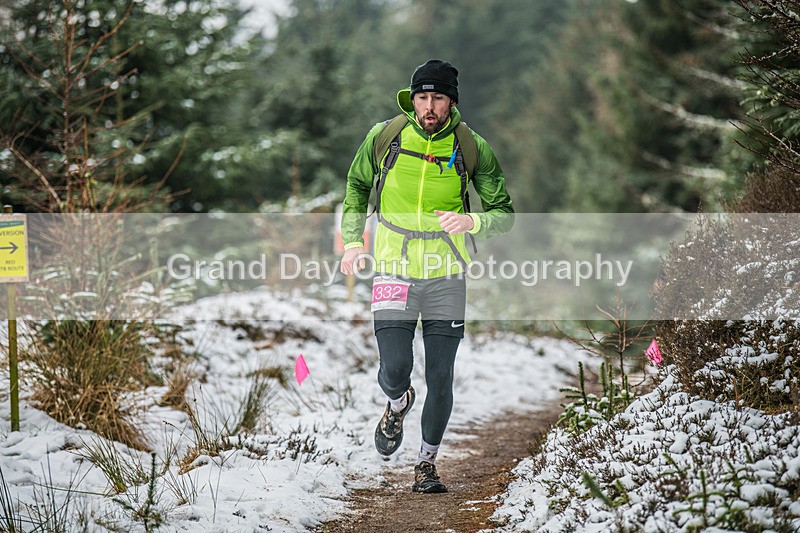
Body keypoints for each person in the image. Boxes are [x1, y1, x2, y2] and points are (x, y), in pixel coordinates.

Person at [339, 59, 514, 493]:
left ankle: (426, 464)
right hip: (394, 266)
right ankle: (397, 404)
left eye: (438, 97)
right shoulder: (386, 136)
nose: (429, 106)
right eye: (422, 96)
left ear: (451, 101)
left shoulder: (471, 146)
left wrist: (473, 224)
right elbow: (357, 188)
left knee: (440, 375)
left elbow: (503, 213)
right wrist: (354, 240)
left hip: (447, 273)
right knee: (395, 366)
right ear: (412, 98)